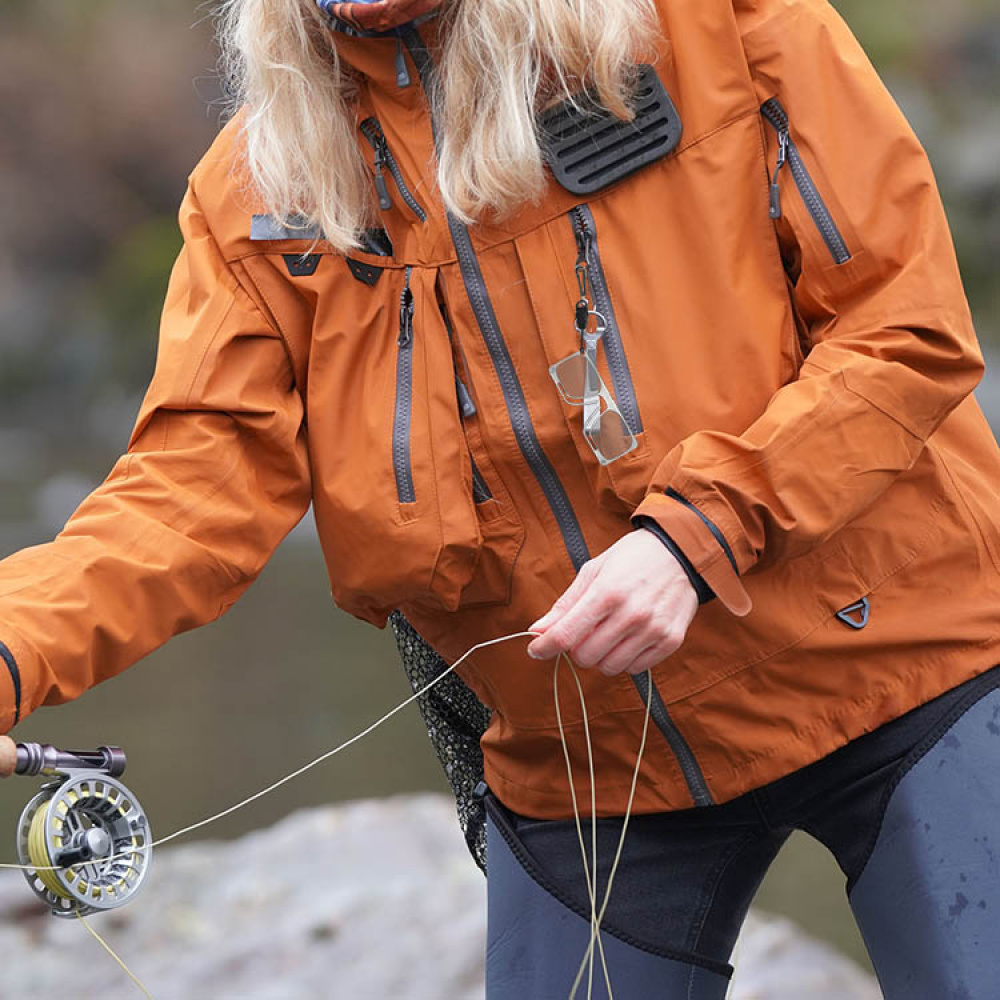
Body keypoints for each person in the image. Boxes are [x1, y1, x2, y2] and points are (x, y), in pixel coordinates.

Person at [2, 0, 999, 996]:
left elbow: (902, 328)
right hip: (587, 767)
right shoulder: (256, 193)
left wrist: (697, 536)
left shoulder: (717, 25)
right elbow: (180, 499)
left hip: (908, 670)